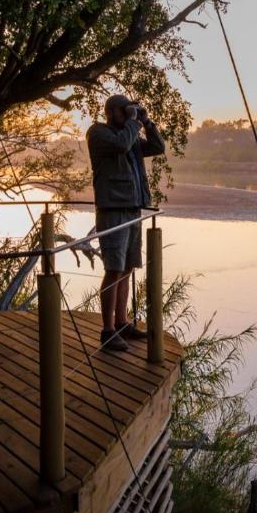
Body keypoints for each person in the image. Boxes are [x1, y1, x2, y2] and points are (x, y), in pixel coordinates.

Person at [86, 94, 165, 352]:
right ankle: (107, 331)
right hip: (112, 211)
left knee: (128, 267)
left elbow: (158, 147)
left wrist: (147, 121)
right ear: (112, 112)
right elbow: (120, 145)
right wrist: (133, 123)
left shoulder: (130, 135)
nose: (130, 114)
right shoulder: (99, 133)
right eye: (126, 110)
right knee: (114, 269)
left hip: (132, 210)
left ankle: (122, 323)